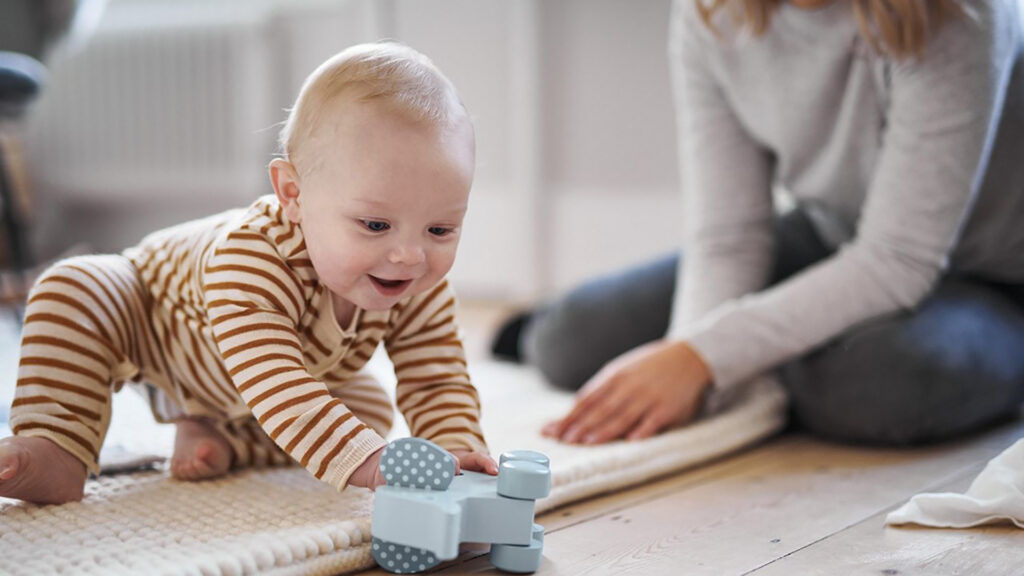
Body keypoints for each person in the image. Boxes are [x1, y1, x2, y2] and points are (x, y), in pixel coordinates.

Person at [495, 0, 1024, 447]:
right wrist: (692, 367)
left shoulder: (957, 14)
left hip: (992, 276)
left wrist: (707, 357)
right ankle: (787, 364)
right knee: (566, 342)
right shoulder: (712, 13)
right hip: (837, 233)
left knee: (871, 387)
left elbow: (899, 258)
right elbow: (730, 237)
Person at [0, 41, 497, 505]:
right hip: (152, 325)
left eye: (440, 229)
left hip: (247, 386)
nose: (410, 255)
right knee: (75, 284)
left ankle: (225, 439)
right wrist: (369, 462)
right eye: (375, 224)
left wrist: (456, 453)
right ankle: (55, 443)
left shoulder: (416, 285)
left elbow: (437, 380)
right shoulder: (253, 259)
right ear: (293, 195)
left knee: (366, 410)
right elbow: (279, 382)